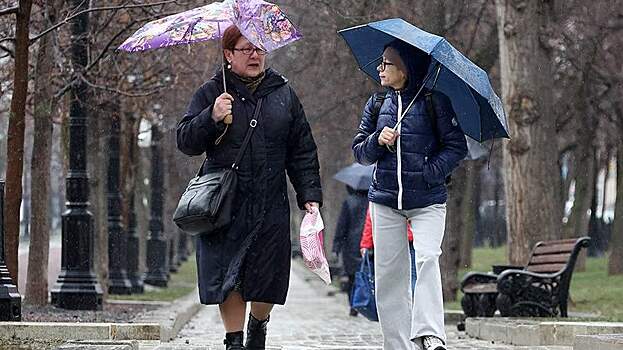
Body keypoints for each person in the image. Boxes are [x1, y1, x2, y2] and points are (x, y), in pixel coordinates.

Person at [176, 25, 322, 350]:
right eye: (246, 49)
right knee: (230, 276)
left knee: (267, 277)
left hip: (270, 202)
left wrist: (309, 195)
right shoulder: (212, 91)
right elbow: (185, 140)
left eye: (259, 49)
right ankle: (233, 341)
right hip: (225, 203)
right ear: (229, 55)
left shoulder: (283, 93)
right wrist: (210, 116)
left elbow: (302, 149)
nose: (255, 55)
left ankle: (259, 322)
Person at [352, 39, 468, 350]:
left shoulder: (435, 103)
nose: (380, 68)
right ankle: (397, 344)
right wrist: (379, 139)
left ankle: (430, 334)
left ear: (405, 68)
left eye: (387, 63)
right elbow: (360, 153)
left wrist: (429, 171)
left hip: (428, 202)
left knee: (428, 258)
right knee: (390, 275)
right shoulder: (377, 105)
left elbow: (457, 147)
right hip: (386, 201)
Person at [359, 206, 417, 295]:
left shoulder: (382, 196)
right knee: (412, 275)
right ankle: (413, 301)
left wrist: (365, 244)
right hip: (411, 239)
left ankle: (401, 301)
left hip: (392, 241)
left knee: (394, 276)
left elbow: (371, 219)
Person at [332, 185, 368, 317]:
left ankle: (353, 305)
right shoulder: (372, 201)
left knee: (352, 277)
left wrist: (336, 245)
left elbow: (342, 225)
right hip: (368, 243)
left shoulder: (349, 201)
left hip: (351, 245)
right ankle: (365, 303)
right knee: (366, 275)